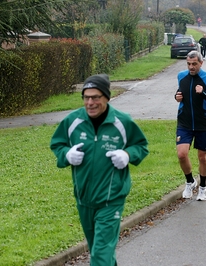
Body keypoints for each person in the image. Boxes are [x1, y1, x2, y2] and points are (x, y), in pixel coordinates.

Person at [50, 74, 149, 266]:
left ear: (107, 97)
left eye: (96, 97)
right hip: (84, 198)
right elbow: (57, 145)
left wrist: (128, 155)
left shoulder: (122, 122)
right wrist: (66, 155)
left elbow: (141, 146)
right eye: (86, 97)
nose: (90, 102)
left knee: (100, 255)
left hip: (111, 200)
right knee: (99, 249)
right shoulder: (73, 121)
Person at [174, 51, 206, 201]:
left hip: (203, 122)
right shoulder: (181, 76)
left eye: (194, 64)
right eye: (189, 64)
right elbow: (180, 92)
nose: (191, 67)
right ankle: (190, 181)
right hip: (185, 121)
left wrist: (203, 94)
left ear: (201, 63)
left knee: (202, 156)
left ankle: (203, 187)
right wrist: (176, 96)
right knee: (181, 154)